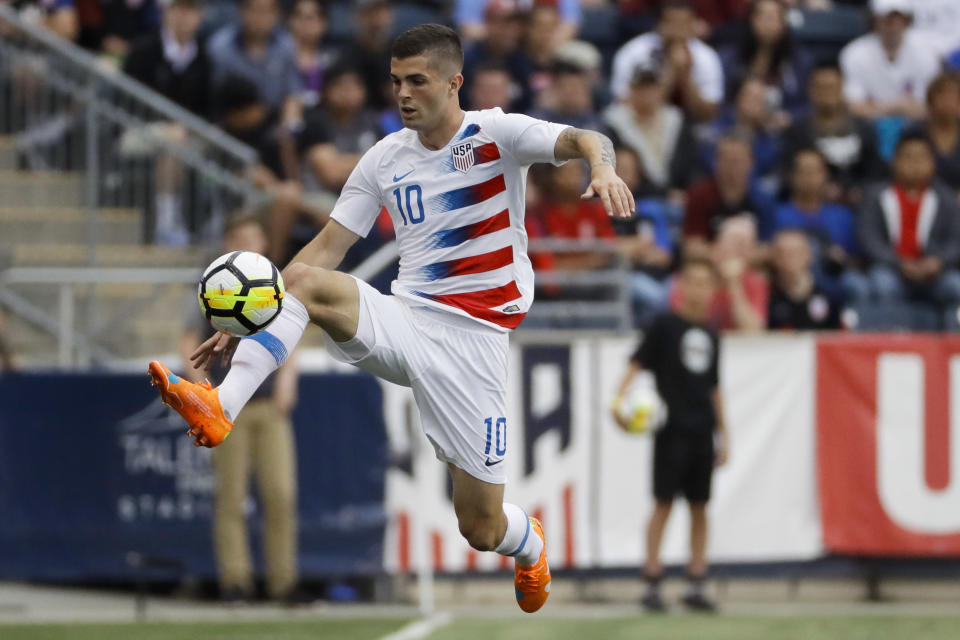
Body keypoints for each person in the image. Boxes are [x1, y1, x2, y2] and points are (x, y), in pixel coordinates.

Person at [147, 23, 634, 614]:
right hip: (406, 318)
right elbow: (328, 243)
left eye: (417, 81)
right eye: (396, 81)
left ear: (454, 83)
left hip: (474, 345)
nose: (403, 93)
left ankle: (528, 542)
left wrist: (602, 170)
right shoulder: (383, 158)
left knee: (478, 526)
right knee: (300, 279)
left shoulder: (497, 133)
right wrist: (254, 311)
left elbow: (587, 137)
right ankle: (221, 404)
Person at [179, 215, 305, 604]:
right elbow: (187, 339)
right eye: (240, 238)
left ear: (265, 243)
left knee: (280, 493)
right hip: (229, 406)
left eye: (254, 237)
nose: (249, 244)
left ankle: (283, 583)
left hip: (268, 404)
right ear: (228, 243)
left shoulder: (273, 288)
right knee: (231, 496)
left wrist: (287, 382)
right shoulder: (213, 286)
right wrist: (204, 392)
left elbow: (291, 335)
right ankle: (236, 581)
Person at [613, 257, 728, 612]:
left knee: (699, 507)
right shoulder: (664, 326)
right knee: (663, 503)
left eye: (704, 282)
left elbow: (714, 387)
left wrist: (724, 434)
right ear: (680, 287)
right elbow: (636, 363)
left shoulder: (711, 333)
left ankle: (696, 579)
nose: (698, 289)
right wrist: (618, 402)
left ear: (712, 291)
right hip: (671, 431)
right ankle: (652, 579)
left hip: (701, 431)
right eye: (691, 281)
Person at [858, 132, 960, 307]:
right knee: (883, 285)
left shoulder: (947, 199)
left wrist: (938, 262)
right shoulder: (875, 196)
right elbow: (869, 240)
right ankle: (891, 332)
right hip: (892, 270)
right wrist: (899, 264)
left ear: (932, 163)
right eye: (907, 157)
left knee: (955, 286)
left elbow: (955, 240)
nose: (914, 164)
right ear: (894, 161)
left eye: (921, 157)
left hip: (935, 273)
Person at [780, 62, 885, 207]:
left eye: (831, 87)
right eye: (821, 87)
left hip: (860, 203)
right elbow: (787, 172)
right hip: (814, 204)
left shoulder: (864, 128)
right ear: (811, 90)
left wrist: (860, 190)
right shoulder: (797, 132)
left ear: (841, 88)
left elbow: (876, 172)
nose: (827, 93)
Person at [839, 0, 940, 147]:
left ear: (907, 21)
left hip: (916, 128)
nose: (892, 24)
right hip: (869, 129)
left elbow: (930, 107)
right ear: (874, 20)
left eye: (898, 18)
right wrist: (897, 107)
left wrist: (877, 107)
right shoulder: (854, 53)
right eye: (886, 18)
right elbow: (852, 106)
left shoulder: (926, 54)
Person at [610, 0, 724, 123]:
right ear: (659, 25)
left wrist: (686, 76)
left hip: (693, 127)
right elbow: (623, 106)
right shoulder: (634, 52)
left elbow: (709, 114)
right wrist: (671, 70)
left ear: (693, 25)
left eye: (684, 24)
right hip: (641, 124)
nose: (678, 31)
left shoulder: (706, 56)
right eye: (672, 23)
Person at [772, 148, 862, 296]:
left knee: (857, 284)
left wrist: (843, 259)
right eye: (803, 171)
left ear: (825, 175)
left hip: (835, 281)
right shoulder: (777, 214)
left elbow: (857, 259)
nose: (808, 177)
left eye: (814, 171)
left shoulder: (842, 216)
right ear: (792, 176)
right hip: (789, 281)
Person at [603, 62, 698, 196]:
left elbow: (689, 164)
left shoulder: (676, 121)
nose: (647, 94)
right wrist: (663, 194)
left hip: (678, 197)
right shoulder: (615, 123)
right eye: (641, 88)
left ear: (661, 90)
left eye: (652, 87)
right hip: (635, 197)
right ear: (631, 89)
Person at [207, 0, 303, 127]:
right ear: (242, 11)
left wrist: (290, 128)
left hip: (273, 124)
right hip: (229, 123)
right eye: (255, 10)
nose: (260, 17)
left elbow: (293, 94)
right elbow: (212, 98)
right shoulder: (220, 47)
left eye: (267, 10)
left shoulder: (286, 45)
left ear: (276, 14)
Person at [717, 0, 813, 122]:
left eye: (774, 18)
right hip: (736, 125)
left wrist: (791, 116)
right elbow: (719, 101)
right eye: (762, 17)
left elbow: (809, 104)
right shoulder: (729, 58)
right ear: (751, 20)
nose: (768, 24)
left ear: (784, 23)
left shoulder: (800, 60)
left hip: (784, 129)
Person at [683, 133, 775, 256]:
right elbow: (692, 246)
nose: (732, 166)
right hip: (710, 264)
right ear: (716, 162)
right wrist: (723, 259)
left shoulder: (763, 199)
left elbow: (767, 248)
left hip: (750, 264)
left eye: (737, 160)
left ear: (751, 163)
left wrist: (739, 262)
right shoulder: (699, 195)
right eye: (726, 160)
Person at [767, 229, 843, 330]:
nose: (789, 259)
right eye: (783, 253)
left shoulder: (829, 293)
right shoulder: (768, 294)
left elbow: (838, 336)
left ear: (808, 255)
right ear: (774, 258)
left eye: (795, 253)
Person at [906, 73, 960, 194]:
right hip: (921, 195)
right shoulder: (914, 132)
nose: (948, 103)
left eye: (954, 97)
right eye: (943, 96)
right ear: (931, 100)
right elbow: (905, 169)